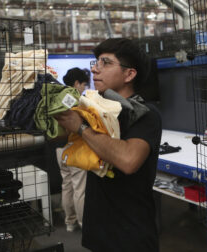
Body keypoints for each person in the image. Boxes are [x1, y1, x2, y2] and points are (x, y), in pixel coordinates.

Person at [54, 38, 162, 252]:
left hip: (130, 235)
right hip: (99, 231)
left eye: (105, 63)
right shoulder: (94, 110)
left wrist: (82, 128)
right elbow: (57, 136)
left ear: (129, 74)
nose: (95, 70)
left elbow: (128, 160)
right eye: (96, 63)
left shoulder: (145, 114)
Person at [58, 67, 90, 232]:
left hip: (59, 149)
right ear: (77, 83)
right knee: (80, 188)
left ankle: (70, 222)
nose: (84, 88)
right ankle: (83, 225)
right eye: (84, 84)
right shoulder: (75, 98)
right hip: (75, 148)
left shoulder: (58, 97)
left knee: (67, 185)